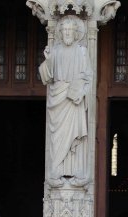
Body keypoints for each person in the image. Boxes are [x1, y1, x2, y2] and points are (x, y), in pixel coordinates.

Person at [39, 16, 92, 184]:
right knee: (57, 139)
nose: (68, 33)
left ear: (76, 33)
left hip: (74, 100)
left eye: (70, 30)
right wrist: (48, 60)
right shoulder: (54, 51)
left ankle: (77, 171)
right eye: (65, 31)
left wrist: (81, 92)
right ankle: (56, 172)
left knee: (76, 138)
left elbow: (89, 77)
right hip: (58, 99)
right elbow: (46, 78)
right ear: (60, 33)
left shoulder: (82, 51)